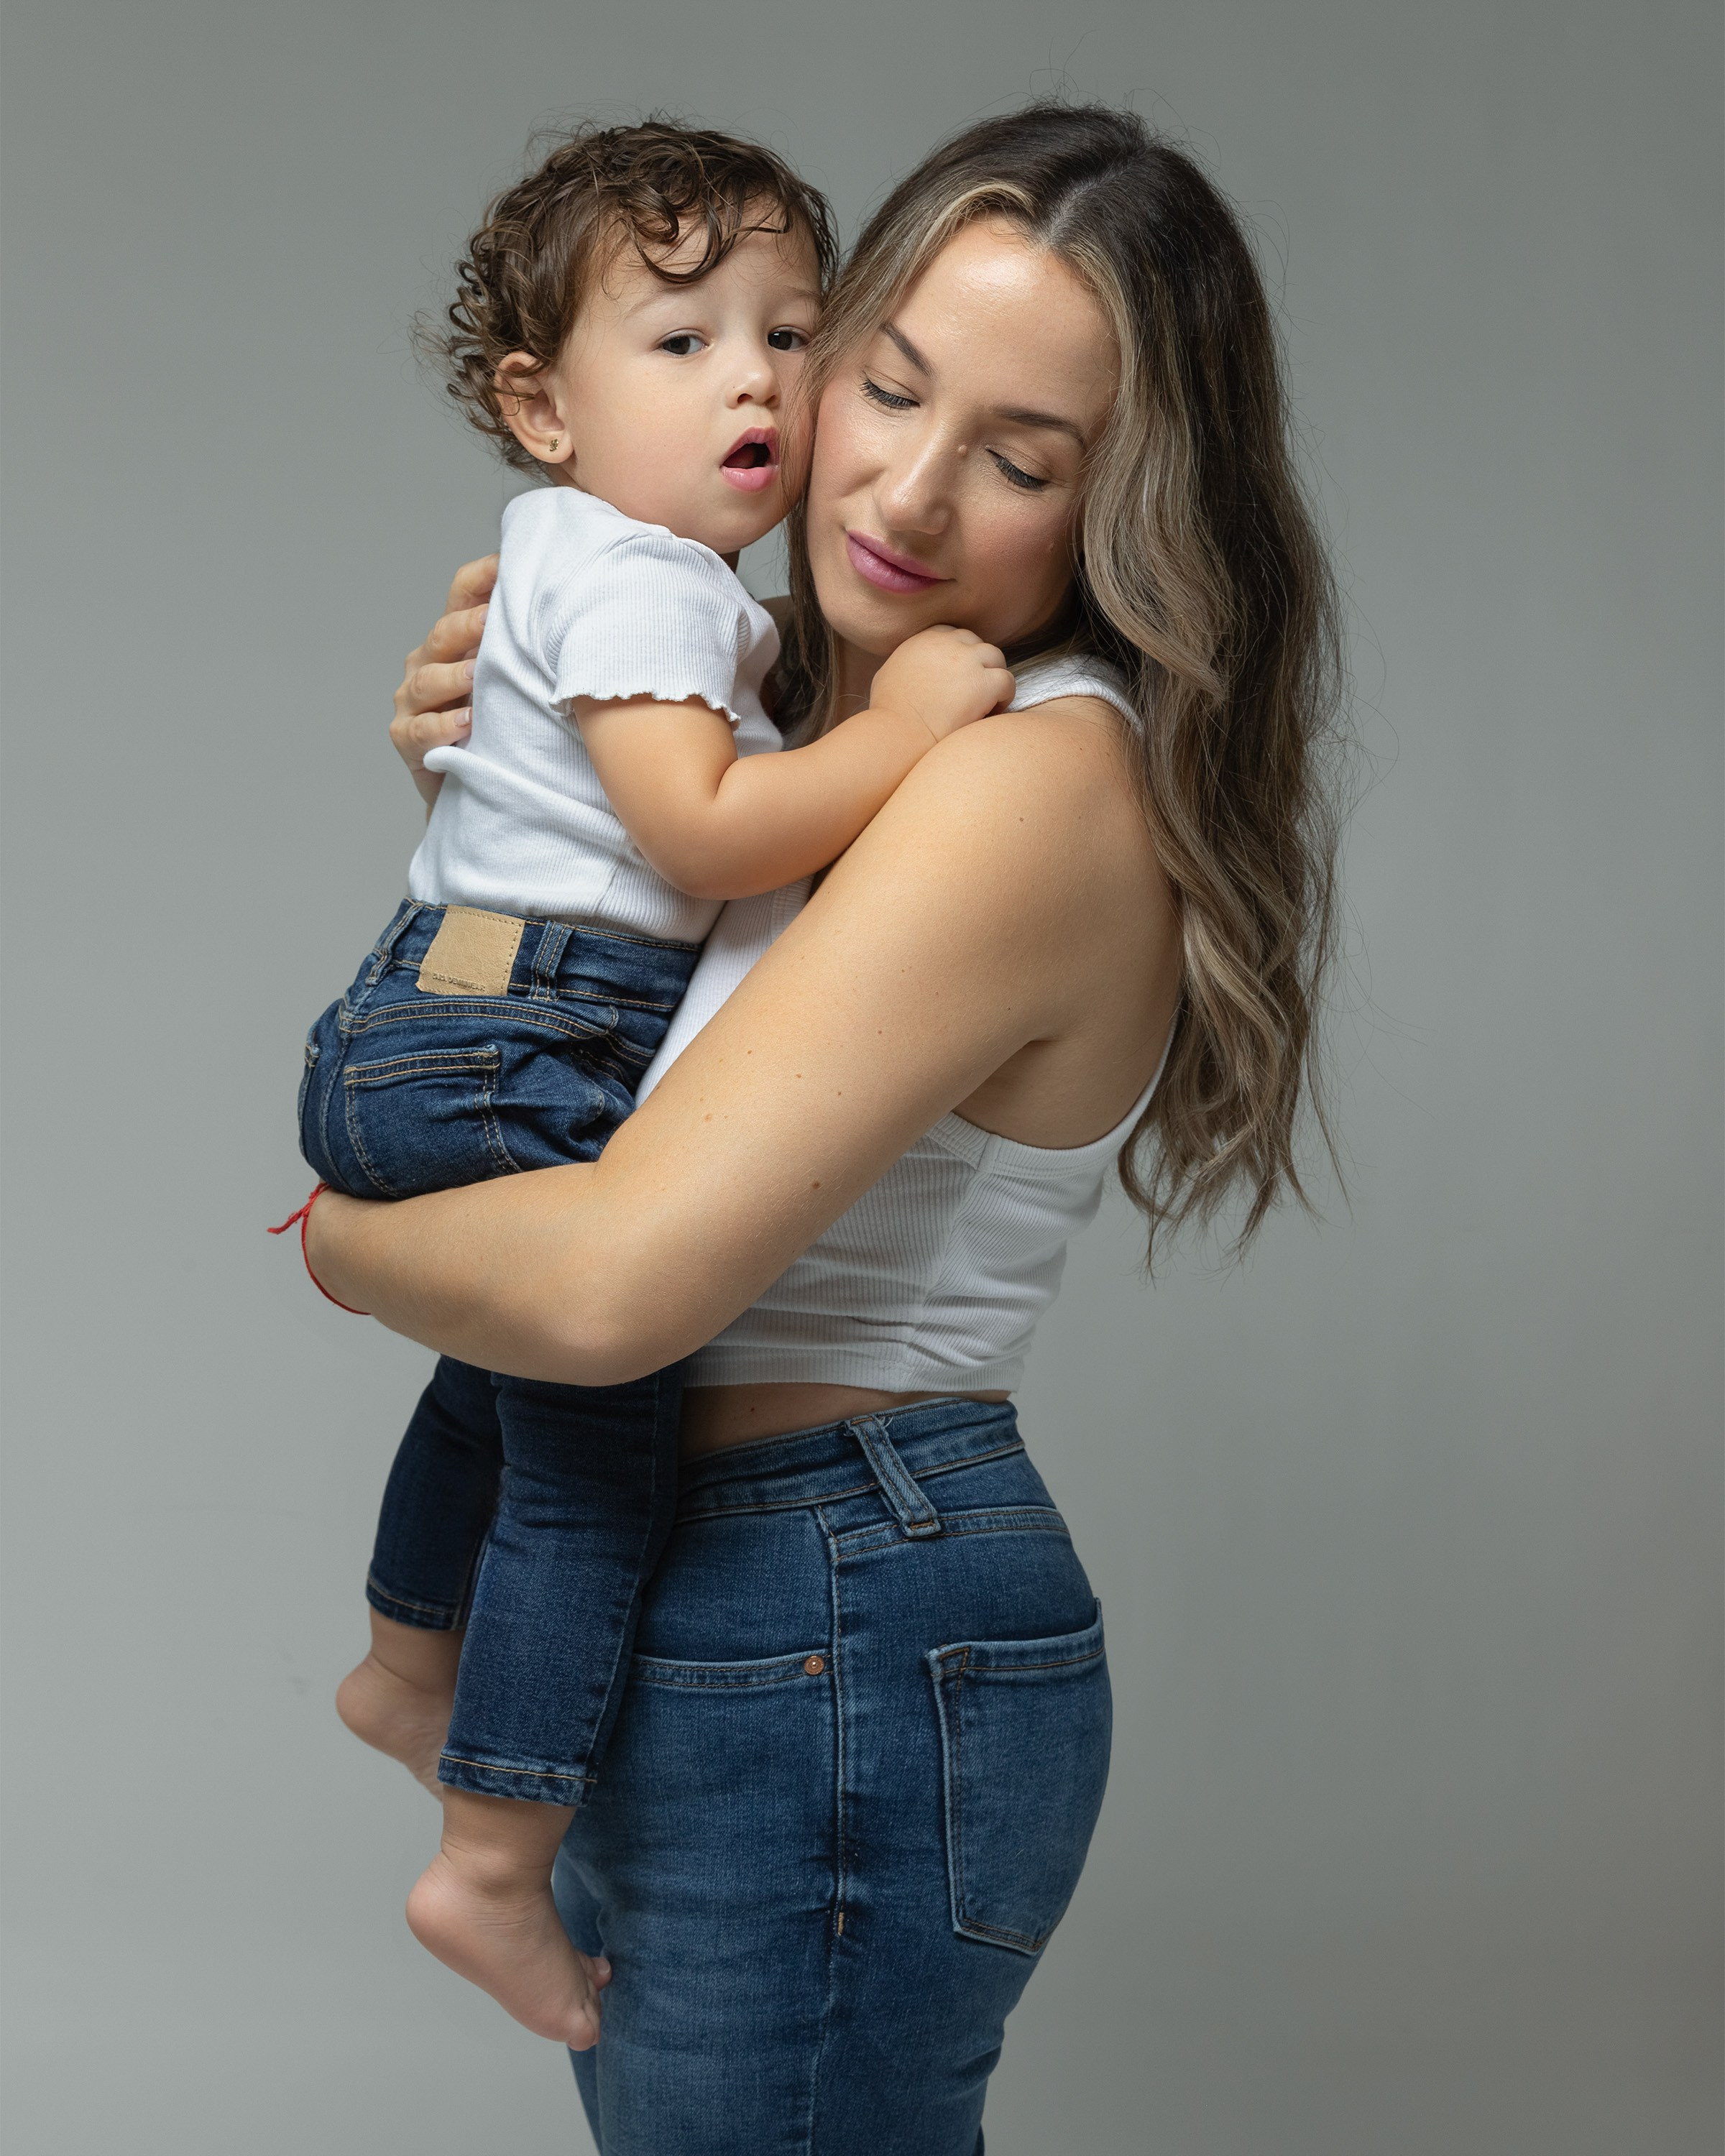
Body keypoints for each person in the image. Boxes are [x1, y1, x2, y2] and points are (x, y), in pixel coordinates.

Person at [308, 102, 1344, 2156]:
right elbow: (603, 1069)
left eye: (1024, 459)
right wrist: (510, 766)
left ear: (1126, 508)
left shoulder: (1014, 780)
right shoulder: (810, 740)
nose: (907, 486)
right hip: (708, 1600)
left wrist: (342, 1229)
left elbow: (603, 1283)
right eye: (882, 382)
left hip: (833, 1611)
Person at [291, 121, 1014, 2053]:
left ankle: (399, 1664)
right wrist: (918, 726)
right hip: (521, 1037)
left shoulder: (569, 556)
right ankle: (492, 1865)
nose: (759, 379)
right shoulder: (662, 593)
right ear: (544, 405)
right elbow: (704, 844)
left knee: (499, 1386)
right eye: (685, 342)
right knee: (597, 1465)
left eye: (794, 334)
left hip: (423, 1013)